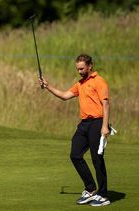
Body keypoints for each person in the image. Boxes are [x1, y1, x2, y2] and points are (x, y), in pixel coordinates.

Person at [39, 54, 111, 206]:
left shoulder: (99, 81)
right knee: (75, 154)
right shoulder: (80, 84)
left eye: (82, 68)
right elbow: (65, 96)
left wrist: (105, 126)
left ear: (90, 66)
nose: (79, 71)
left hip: (98, 123)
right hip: (84, 124)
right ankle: (91, 189)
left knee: (97, 159)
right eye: (78, 69)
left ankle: (103, 194)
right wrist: (48, 86)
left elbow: (105, 104)